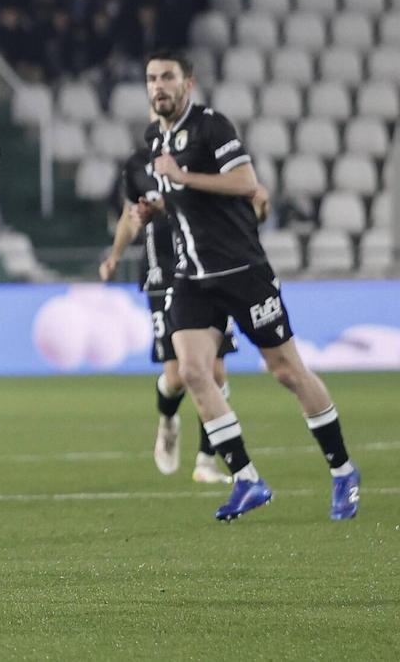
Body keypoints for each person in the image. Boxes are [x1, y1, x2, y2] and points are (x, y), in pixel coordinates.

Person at [137, 49, 359, 522]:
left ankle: (343, 471)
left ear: (188, 83)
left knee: (287, 372)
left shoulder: (212, 127)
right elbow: (182, 200)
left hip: (241, 271)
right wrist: (156, 206)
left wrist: (183, 177)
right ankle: (246, 479)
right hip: (192, 277)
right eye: (152, 78)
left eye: (168, 77)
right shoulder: (155, 137)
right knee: (195, 371)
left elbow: (246, 182)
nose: (159, 86)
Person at [100, 143, 270, 483]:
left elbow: (239, 203)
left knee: (216, 374)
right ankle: (167, 420)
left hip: (205, 269)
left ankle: (206, 462)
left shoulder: (203, 156)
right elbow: (130, 216)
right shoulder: (138, 163)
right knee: (178, 377)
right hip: (162, 275)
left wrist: (257, 211)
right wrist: (115, 255)